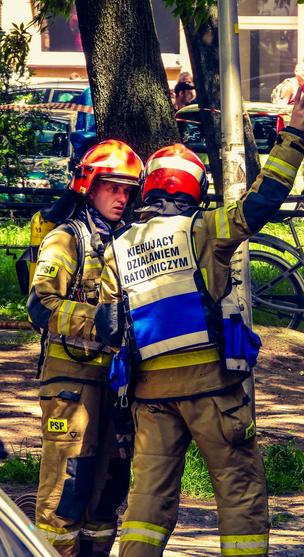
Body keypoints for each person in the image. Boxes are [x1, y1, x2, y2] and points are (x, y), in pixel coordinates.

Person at [94, 88, 304, 557]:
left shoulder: (118, 247)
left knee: (147, 503)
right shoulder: (203, 229)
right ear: (194, 188)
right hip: (212, 394)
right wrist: (293, 133)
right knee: (238, 489)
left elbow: (109, 323)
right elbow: (261, 203)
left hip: (151, 398)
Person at [27, 140, 144, 556]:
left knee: (109, 487)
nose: (121, 197)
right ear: (89, 186)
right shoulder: (67, 238)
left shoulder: (127, 241)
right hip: (70, 383)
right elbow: (40, 305)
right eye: (113, 187)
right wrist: (98, 321)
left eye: (128, 190)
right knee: (68, 485)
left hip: (115, 384)